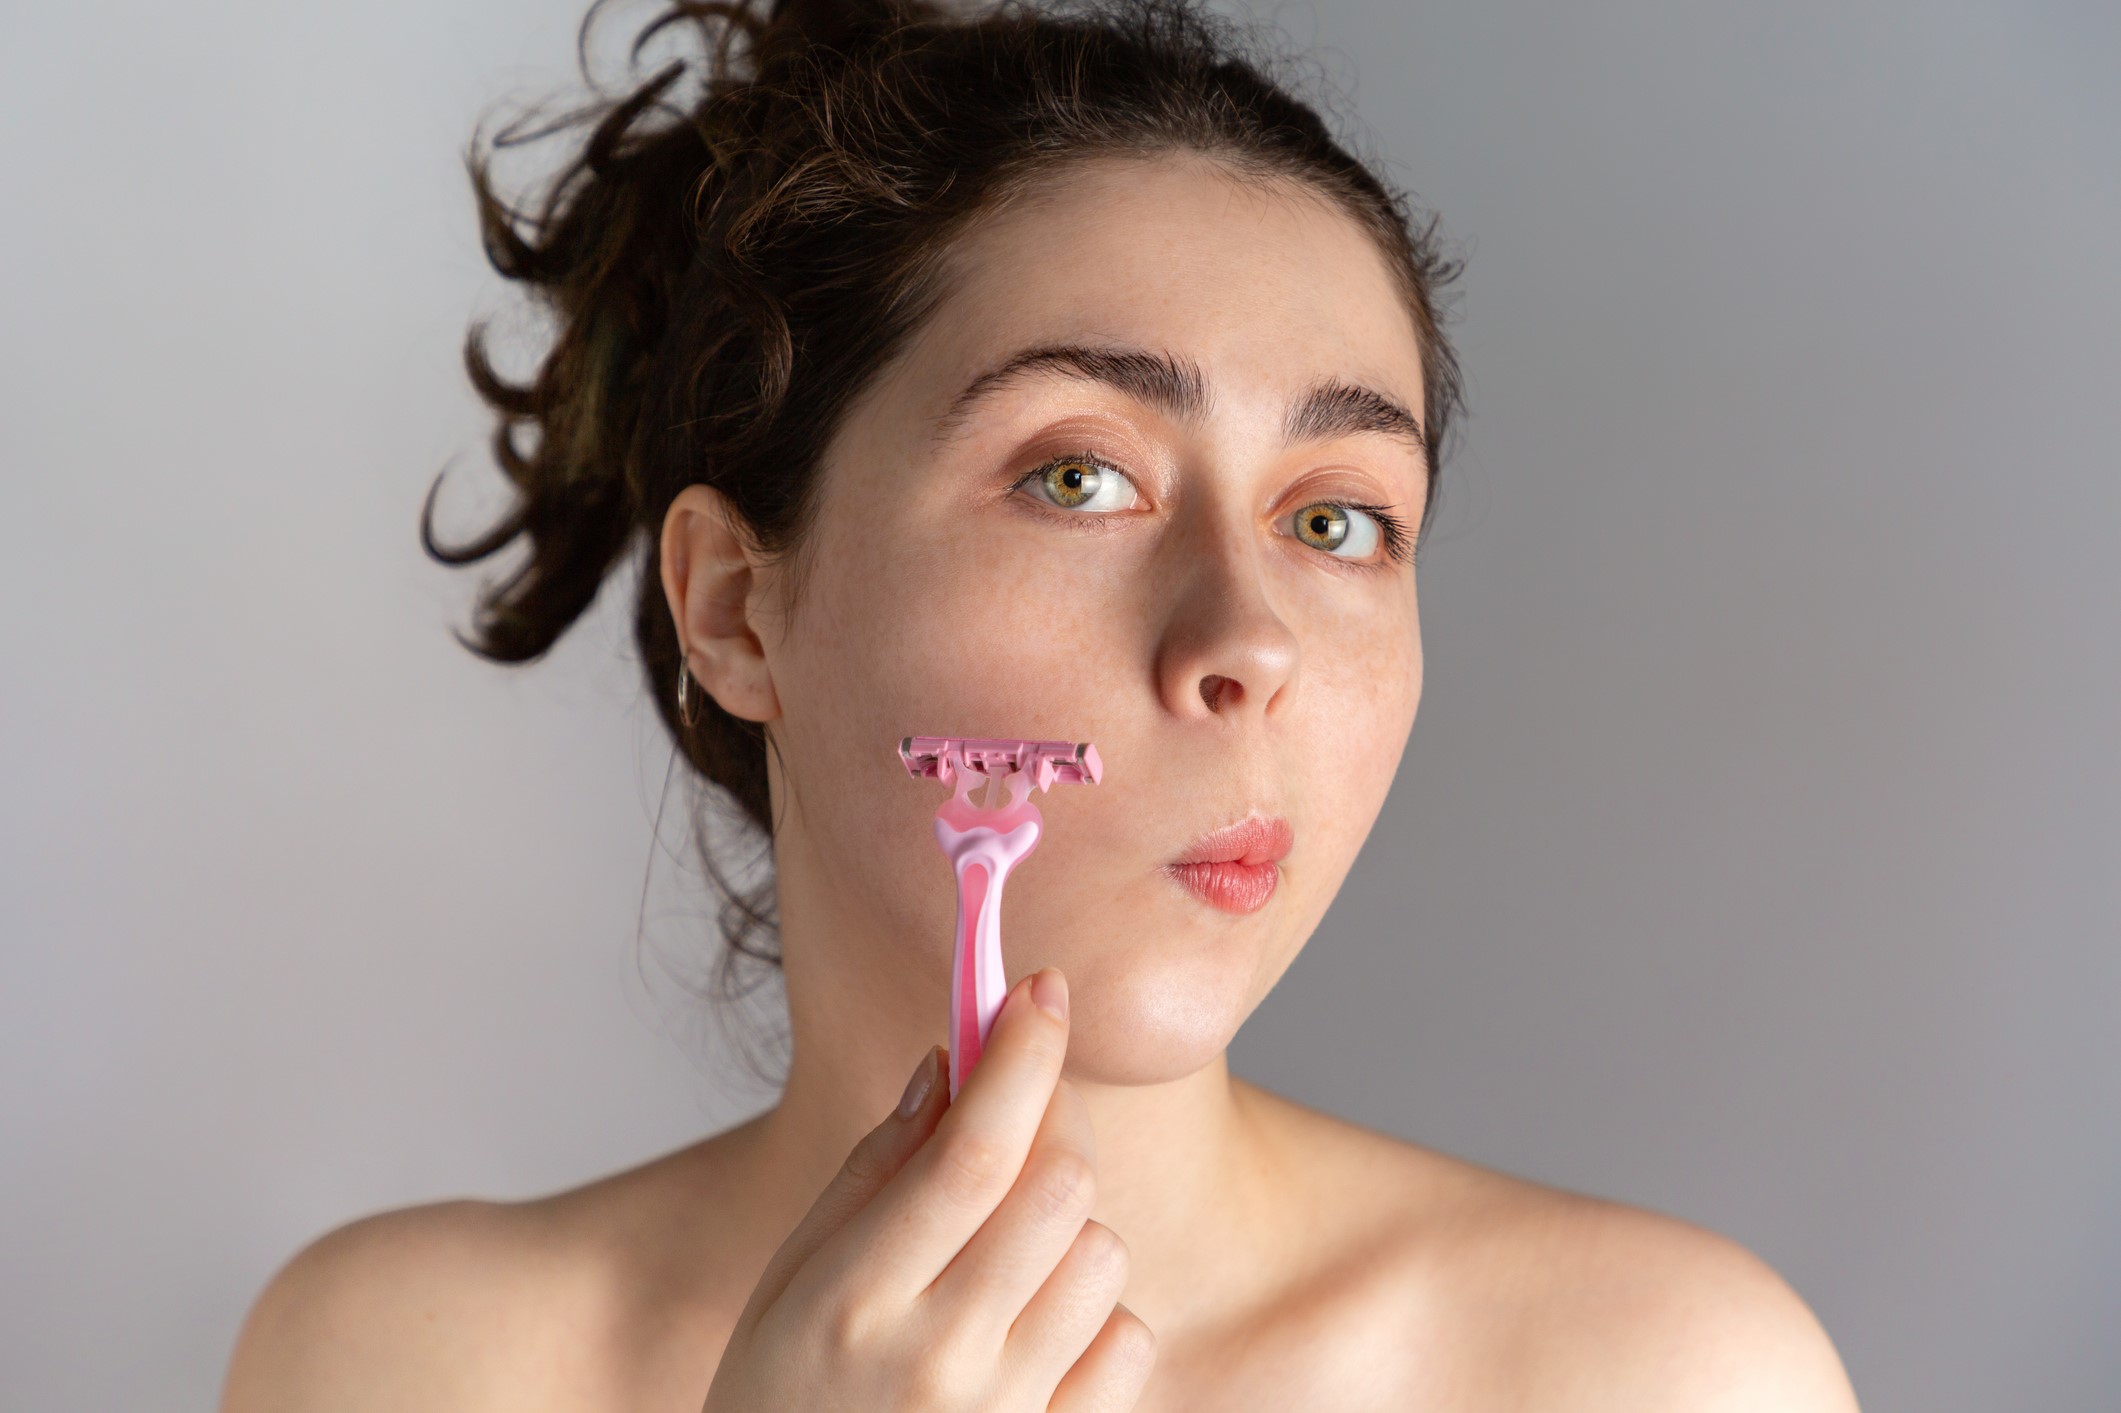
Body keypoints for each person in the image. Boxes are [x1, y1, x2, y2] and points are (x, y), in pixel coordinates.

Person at [220, 0, 1862, 1406]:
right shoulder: (403, 1361)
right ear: (735, 606)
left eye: (1336, 521)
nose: (1248, 636)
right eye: (1078, 477)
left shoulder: (1663, 1374)